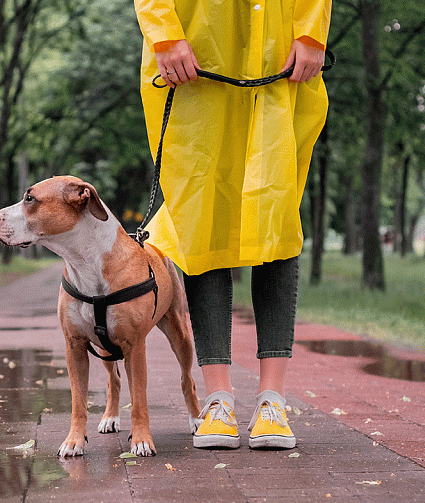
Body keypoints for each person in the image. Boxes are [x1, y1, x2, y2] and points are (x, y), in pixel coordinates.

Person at [133, 0, 331, 449]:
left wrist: (312, 33)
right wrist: (165, 36)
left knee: (276, 221)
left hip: (278, 56)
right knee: (204, 222)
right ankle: (217, 400)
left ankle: (272, 401)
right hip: (193, 62)